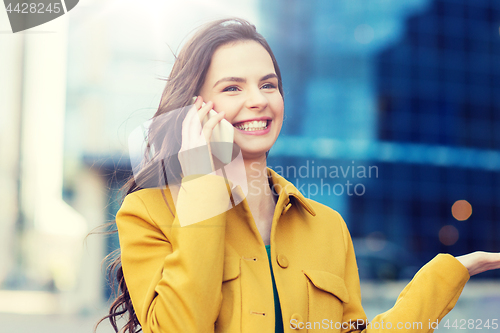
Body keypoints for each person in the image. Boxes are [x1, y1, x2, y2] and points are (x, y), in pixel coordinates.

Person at [99, 18, 500, 333]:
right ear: (196, 109)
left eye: (268, 85)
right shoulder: (147, 213)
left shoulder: (327, 227)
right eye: (233, 88)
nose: (258, 101)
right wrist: (202, 179)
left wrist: (448, 275)